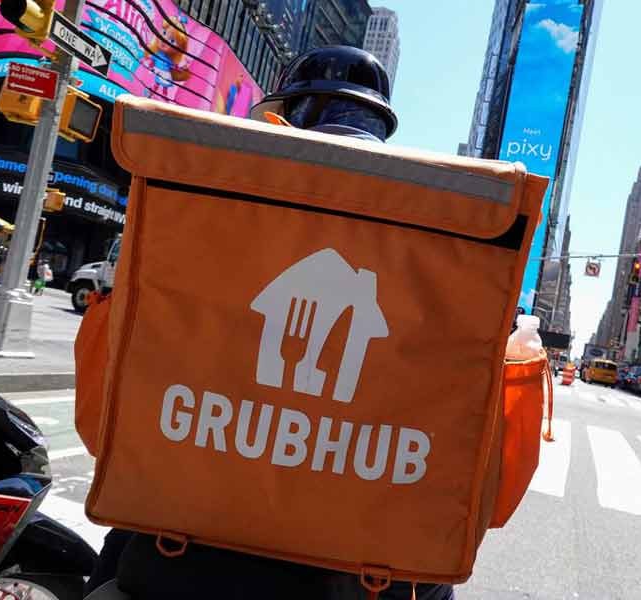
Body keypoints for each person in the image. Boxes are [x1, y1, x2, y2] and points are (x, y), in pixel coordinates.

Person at [84, 46, 453, 600]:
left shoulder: (216, 212)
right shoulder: (437, 247)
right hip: (362, 576)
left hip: (179, 553)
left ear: (287, 117)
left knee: (123, 547)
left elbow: (104, 425)